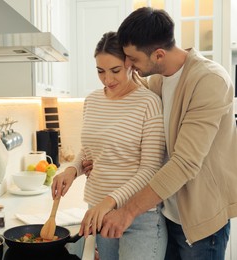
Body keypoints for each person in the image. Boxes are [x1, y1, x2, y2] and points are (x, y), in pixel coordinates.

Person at [82, 7, 237, 260]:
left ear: (159, 54)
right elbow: (140, 137)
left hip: (199, 220)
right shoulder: (157, 81)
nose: (128, 64)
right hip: (166, 212)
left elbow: (185, 162)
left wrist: (127, 212)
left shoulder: (209, 80)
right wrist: (100, 160)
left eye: (132, 58)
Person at [52, 31, 167, 260]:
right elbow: (90, 150)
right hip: (98, 215)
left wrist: (108, 202)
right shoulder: (92, 101)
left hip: (139, 218)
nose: (107, 79)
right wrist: (72, 170)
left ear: (130, 64)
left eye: (115, 70)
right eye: (100, 71)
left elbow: (150, 170)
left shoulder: (149, 103)